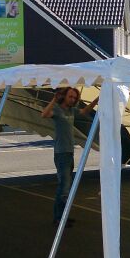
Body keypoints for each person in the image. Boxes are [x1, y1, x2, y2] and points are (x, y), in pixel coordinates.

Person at [41, 86, 98, 227]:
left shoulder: (71, 111)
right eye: (70, 96)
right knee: (64, 186)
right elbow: (44, 114)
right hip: (61, 153)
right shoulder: (57, 110)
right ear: (64, 96)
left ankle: (61, 216)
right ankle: (59, 218)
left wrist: (97, 100)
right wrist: (54, 99)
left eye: (74, 97)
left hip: (69, 153)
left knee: (66, 186)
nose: (72, 99)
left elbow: (85, 111)